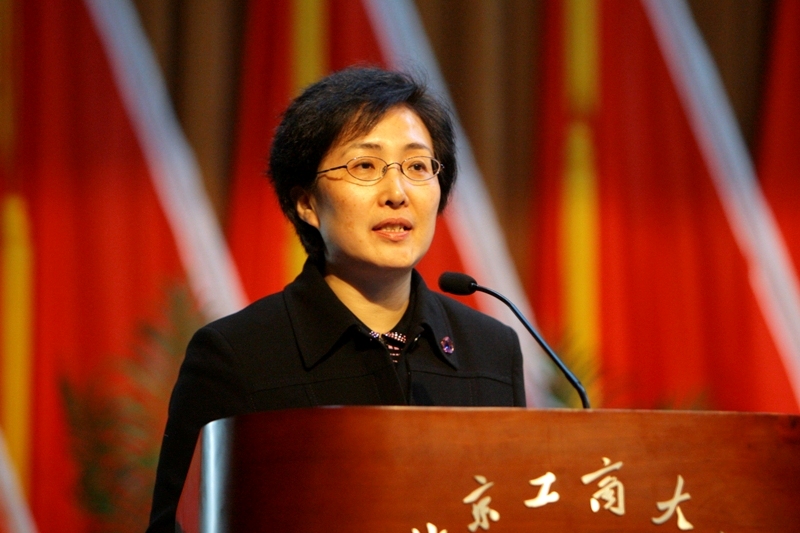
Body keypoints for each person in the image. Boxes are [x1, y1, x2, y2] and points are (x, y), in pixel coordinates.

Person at [146, 67, 526, 532]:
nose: (397, 193)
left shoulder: (490, 350)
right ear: (306, 203)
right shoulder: (237, 356)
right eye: (364, 166)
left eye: (417, 167)